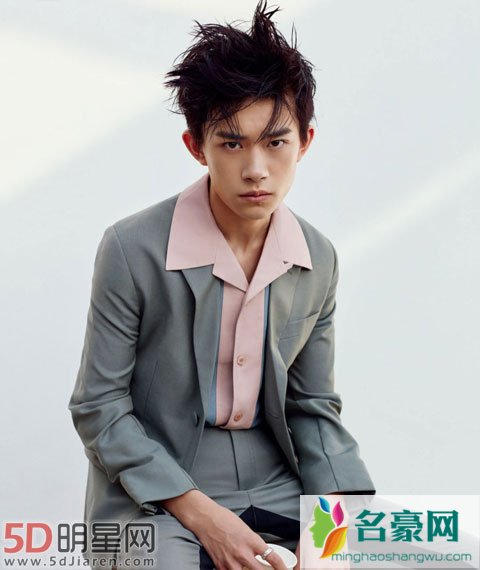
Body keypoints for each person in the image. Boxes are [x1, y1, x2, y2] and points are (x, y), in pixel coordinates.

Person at [68, 1, 375, 568]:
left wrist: (336, 520)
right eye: (231, 143)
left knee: (375, 550)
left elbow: (313, 407)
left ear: (305, 141)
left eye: (275, 142)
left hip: (276, 476)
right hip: (159, 488)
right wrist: (205, 517)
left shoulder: (317, 257)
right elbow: (99, 406)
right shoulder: (131, 249)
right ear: (196, 147)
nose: (256, 169)